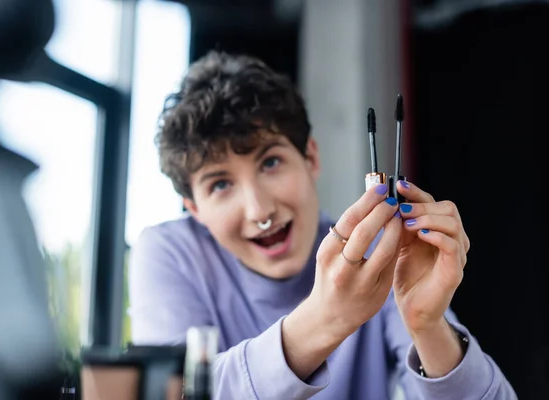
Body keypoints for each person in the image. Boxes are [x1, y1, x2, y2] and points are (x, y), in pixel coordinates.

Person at [128, 50, 517, 400]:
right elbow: (171, 394)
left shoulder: (378, 255)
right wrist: (325, 317)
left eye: (270, 162)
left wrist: (428, 325)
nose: (259, 209)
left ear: (310, 158)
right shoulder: (170, 254)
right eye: (221, 184)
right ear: (193, 208)